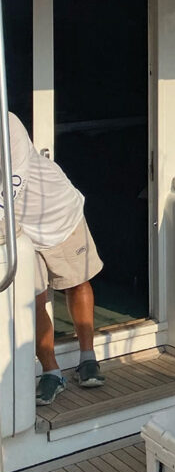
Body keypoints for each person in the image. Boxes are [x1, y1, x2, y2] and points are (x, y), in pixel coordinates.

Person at [2, 113, 105, 406]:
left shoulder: (7, 122)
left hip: (58, 213)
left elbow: (14, 180)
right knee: (32, 300)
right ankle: (51, 372)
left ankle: (88, 358)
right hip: (17, 228)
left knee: (77, 283)